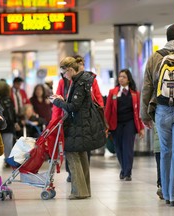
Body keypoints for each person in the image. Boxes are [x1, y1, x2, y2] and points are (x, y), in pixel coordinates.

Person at [140, 24, 174, 206]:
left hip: (161, 110)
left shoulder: (155, 57)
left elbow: (147, 86)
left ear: (166, 38)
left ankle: (165, 192)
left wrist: (144, 115)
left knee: (165, 152)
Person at [49, 56, 101, 200]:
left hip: (77, 124)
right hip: (83, 123)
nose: (64, 75)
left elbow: (74, 106)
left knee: (72, 154)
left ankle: (79, 191)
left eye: (64, 72)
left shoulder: (79, 82)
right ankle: (85, 190)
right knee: (82, 155)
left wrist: (58, 102)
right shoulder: (83, 80)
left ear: (70, 70)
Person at [105, 69, 144, 181]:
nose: (121, 79)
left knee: (128, 147)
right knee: (118, 148)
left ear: (128, 80)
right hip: (115, 124)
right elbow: (107, 111)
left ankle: (127, 172)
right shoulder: (113, 92)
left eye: (124, 77)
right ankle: (123, 169)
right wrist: (106, 127)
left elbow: (139, 113)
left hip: (130, 123)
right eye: (120, 76)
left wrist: (141, 128)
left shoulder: (135, 94)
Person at [0, 80, 17, 167]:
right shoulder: (8, 99)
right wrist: (15, 123)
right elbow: (11, 113)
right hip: (8, 126)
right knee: (8, 145)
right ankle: (8, 160)